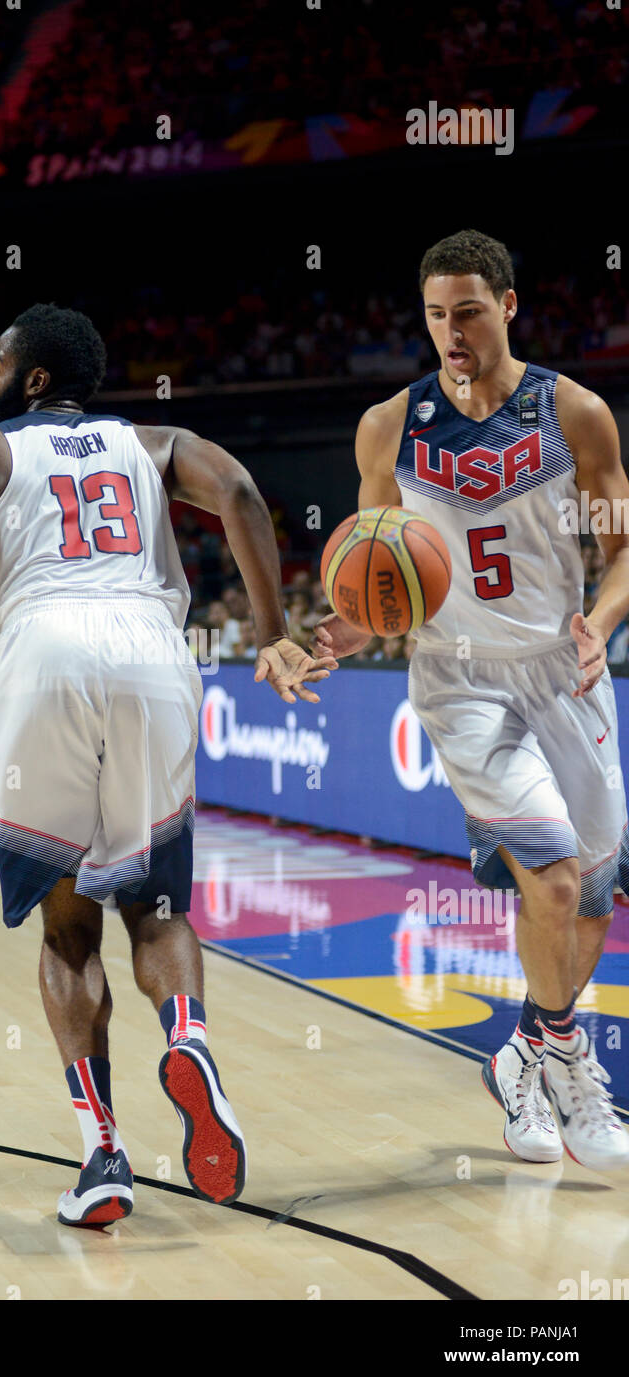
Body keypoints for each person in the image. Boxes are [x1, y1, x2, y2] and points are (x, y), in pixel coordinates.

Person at [0, 303, 334, 1224]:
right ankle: (189, 1038)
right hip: (149, 652)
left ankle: (104, 1156)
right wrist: (273, 634)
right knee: (157, 901)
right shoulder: (158, 441)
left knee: (68, 931)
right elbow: (248, 496)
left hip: (39, 659)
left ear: (35, 381)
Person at [315, 230, 629, 1169]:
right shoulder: (388, 427)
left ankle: (523, 1054)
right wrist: (332, 633)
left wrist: (600, 623)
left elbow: (623, 550)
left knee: (596, 902)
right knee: (557, 879)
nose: (451, 332)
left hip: (562, 668)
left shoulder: (574, 414)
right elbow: (377, 582)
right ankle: (567, 1052)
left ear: (510, 306)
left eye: (469, 312)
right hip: (460, 681)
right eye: (436, 316)